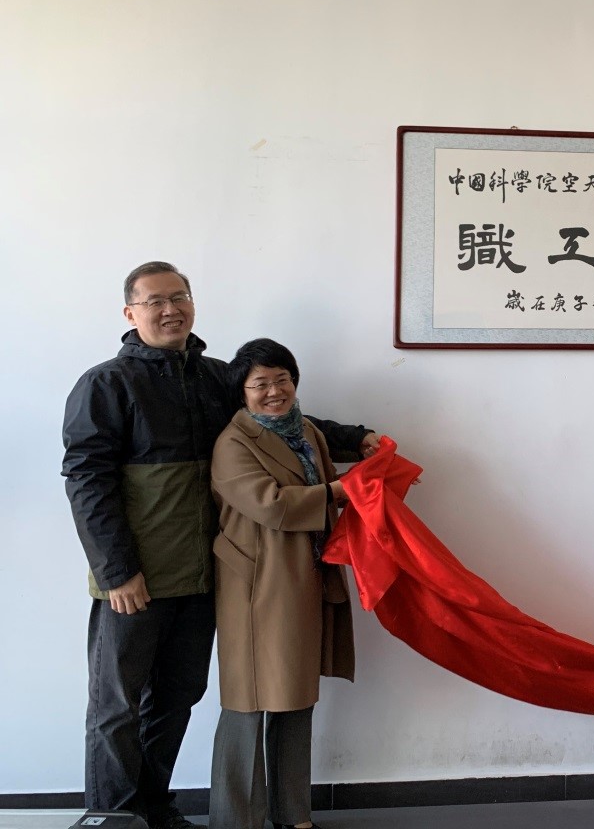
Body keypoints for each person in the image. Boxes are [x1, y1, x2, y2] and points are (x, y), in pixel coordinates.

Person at [62, 261, 376, 829]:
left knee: (178, 695)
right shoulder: (106, 384)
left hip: (207, 572)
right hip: (136, 575)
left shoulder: (213, 377)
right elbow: (87, 480)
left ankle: (154, 807)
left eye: (179, 297)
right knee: (116, 705)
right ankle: (112, 819)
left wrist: (357, 438)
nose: (170, 309)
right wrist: (115, 571)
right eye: (155, 301)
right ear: (130, 313)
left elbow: (277, 416)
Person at [208, 338, 355, 829]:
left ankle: (293, 814)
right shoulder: (233, 443)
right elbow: (271, 504)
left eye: (282, 379)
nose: (274, 392)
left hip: (305, 575)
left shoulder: (306, 429)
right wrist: (339, 491)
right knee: (247, 703)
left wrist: (368, 482)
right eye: (260, 384)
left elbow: (329, 490)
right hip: (258, 584)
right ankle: (237, 820)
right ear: (242, 391)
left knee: (296, 697)